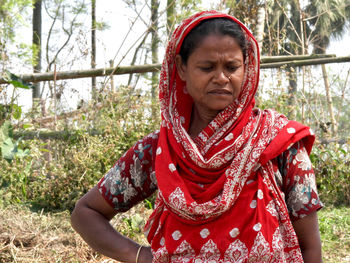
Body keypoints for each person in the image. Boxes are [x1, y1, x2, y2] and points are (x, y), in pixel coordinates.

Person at [71, 10, 323, 263]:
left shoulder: (278, 143)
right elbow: (86, 212)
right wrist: (139, 256)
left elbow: (310, 247)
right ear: (181, 68)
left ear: (247, 69)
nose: (221, 78)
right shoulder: (160, 151)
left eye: (232, 67)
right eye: (207, 67)